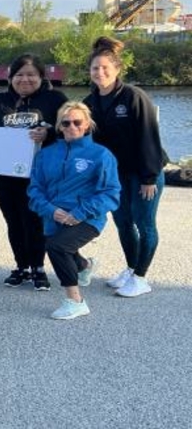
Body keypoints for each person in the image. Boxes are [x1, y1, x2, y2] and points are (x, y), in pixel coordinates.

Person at [83, 37, 167, 298]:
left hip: (145, 173)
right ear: (90, 72)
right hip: (115, 175)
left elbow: (149, 137)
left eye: (106, 67)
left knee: (145, 223)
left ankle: (141, 278)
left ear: (117, 69)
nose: (101, 72)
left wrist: (149, 177)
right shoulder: (90, 101)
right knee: (122, 222)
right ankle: (131, 269)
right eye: (95, 68)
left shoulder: (133, 96)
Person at [0, 54, 68, 290]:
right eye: (19, 75)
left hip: (40, 175)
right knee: (13, 220)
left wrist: (49, 134)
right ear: (10, 77)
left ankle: (38, 267)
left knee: (35, 220)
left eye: (31, 75)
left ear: (41, 77)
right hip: (3, 175)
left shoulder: (55, 100)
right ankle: (21, 266)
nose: (24, 79)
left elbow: (73, 129)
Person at [28, 102, 121, 319]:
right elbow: (35, 190)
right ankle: (86, 265)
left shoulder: (101, 155)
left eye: (77, 122)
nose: (72, 127)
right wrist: (51, 210)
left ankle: (75, 301)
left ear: (87, 124)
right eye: (66, 123)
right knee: (64, 248)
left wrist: (79, 213)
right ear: (59, 126)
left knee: (57, 247)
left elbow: (111, 193)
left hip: (88, 217)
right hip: (54, 216)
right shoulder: (45, 155)